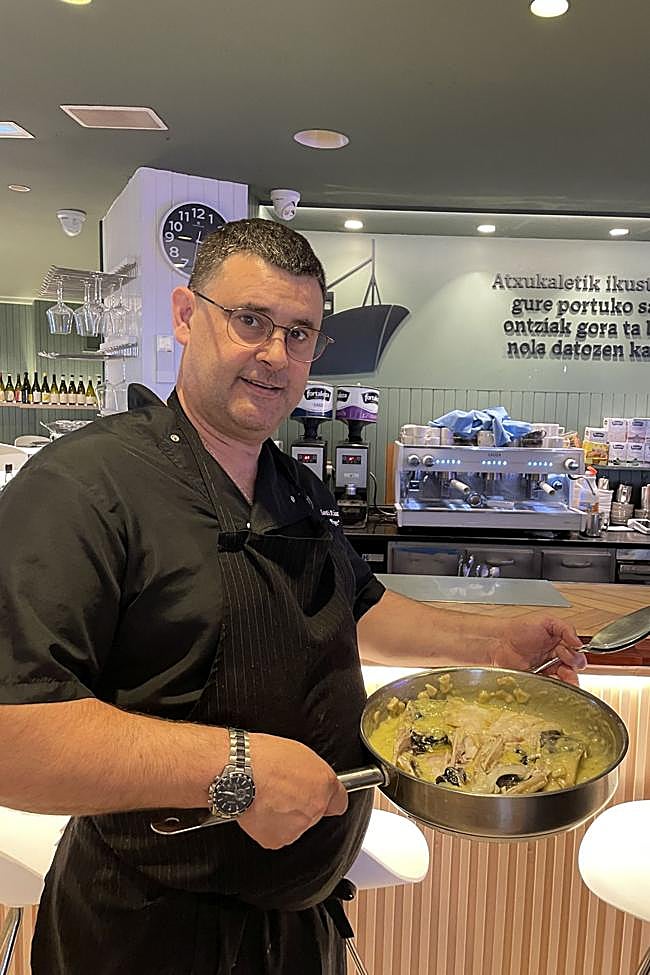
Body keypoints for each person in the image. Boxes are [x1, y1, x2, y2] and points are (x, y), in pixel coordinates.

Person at [0, 219, 586, 975]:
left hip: (301, 922)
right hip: (145, 928)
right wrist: (236, 766)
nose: (276, 355)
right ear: (186, 315)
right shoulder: (85, 484)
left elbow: (356, 606)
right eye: (250, 321)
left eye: (300, 334)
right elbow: (15, 734)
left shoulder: (295, 485)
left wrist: (493, 643)